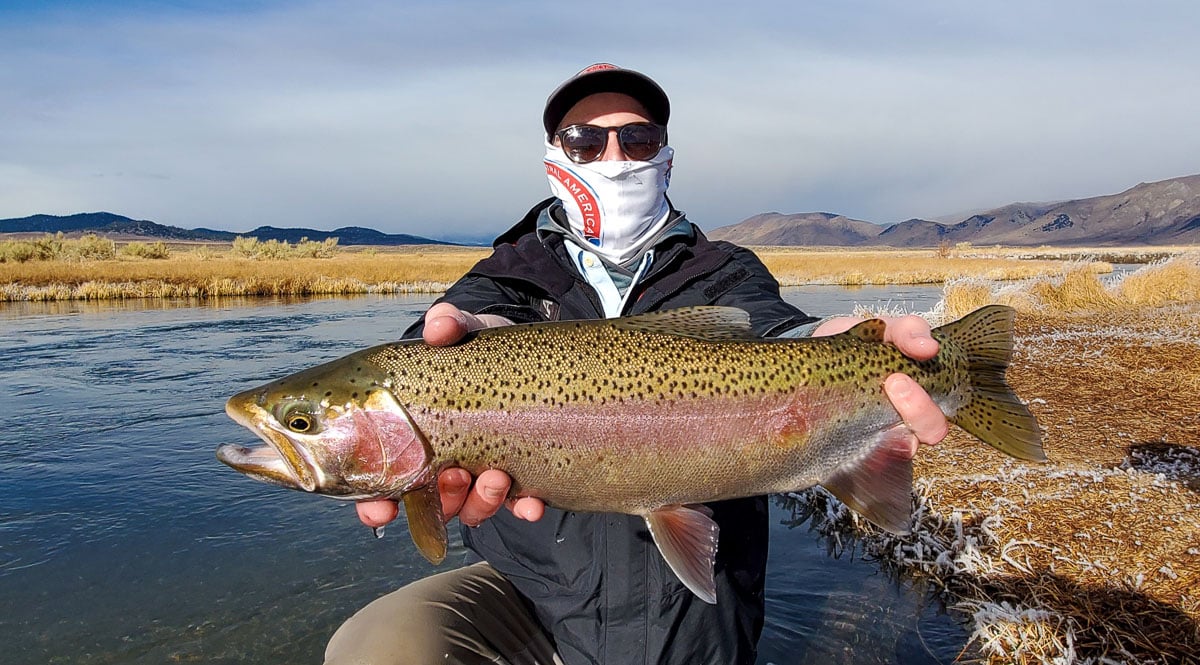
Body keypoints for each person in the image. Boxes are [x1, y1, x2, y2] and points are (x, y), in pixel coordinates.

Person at [325, 63, 949, 665]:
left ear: (666, 156)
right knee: (376, 648)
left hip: (696, 613)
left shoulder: (722, 270)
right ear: (554, 157)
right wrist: (462, 341)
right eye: (586, 140)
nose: (615, 156)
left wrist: (834, 340)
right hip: (537, 589)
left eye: (638, 138)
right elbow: (442, 333)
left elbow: (775, 328)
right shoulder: (511, 270)